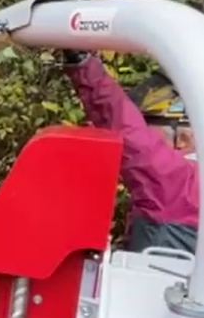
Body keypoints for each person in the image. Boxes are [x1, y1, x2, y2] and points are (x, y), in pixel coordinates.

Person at [61, 50, 198, 254]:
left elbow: (124, 127)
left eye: (147, 124)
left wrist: (82, 63)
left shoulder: (178, 184)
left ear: (184, 139)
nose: (145, 131)